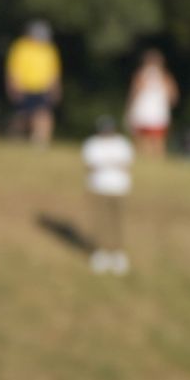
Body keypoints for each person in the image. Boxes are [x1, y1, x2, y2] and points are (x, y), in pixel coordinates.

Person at [82, 116, 134, 276]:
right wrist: (111, 163)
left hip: (119, 188)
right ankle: (100, 253)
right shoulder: (92, 144)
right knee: (100, 222)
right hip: (98, 188)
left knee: (117, 222)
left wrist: (105, 164)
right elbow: (91, 165)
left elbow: (125, 165)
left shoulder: (122, 144)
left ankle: (118, 253)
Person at [5, 21, 63, 147]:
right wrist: (13, 85)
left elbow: (54, 71)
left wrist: (55, 88)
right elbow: (13, 69)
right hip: (24, 87)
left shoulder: (49, 49)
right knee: (23, 116)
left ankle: (41, 140)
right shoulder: (21, 46)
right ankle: (16, 137)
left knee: (44, 113)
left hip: (42, 87)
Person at [125, 49, 178, 161]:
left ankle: (146, 159)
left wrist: (130, 106)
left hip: (145, 110)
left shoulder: (143, 75)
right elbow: (173, 96)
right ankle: (155, 160)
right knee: (156, 139)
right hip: (157, 111)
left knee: (143, 138)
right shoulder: (165, 77)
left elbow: (134, 92)